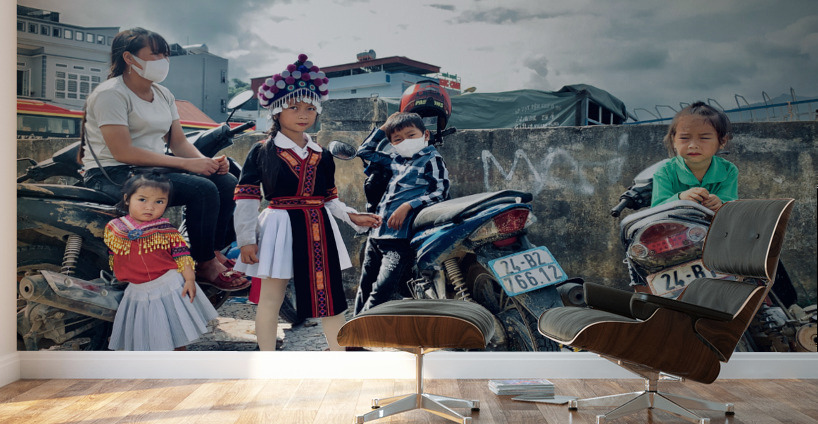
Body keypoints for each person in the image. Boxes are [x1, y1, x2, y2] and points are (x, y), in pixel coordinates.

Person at [233, 54, 381, 351]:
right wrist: (246, 240)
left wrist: (352, 216)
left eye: (310, 108)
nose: (303, 114)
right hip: (278, 227)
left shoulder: (322, 154)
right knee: (271, 298)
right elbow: (247, 197)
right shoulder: (262, 151)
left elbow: (329, 198)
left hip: (318, 228)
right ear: (277, 111)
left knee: (330, 299)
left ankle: (340, 357)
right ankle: (266, 360)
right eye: (294, 107)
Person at [81, 27, 247, 292]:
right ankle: (205, 265)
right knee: (202, 190)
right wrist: (187, 165)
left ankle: (211, 251)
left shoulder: (163, 94)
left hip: (149, 171)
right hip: (112, 174)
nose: (163, 61)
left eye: (165, 55)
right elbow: (122, 152)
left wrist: (207, 163)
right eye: (155, 54)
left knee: (225, 181)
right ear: (129, 58)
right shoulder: (110, 94)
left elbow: (178, 143)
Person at [105, 172, 218, 351]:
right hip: (137, 291)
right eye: (142, 199)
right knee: (144, 336)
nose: (150, 207)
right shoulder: (114, 227)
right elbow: (114, 255)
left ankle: (178, 364)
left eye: (159, 201)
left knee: (176, 333)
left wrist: (189, 280)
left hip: (168, 287)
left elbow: (182, 256)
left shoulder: (167, 230)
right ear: (127, 199)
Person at [354, 112, 450, 315]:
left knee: (381, 292)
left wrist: (408, 205)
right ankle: (353, 333)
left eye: (411, 135)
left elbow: (440, 193)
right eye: (397, 139)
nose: (405, 141)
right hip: (377, 233)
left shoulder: (432, 159)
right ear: (392, 144)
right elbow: (364, 151)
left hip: (400, 238)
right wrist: (384, 127)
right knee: (365, 288)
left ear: (425, 135)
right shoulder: (395, 160)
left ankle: (360, 330)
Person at [651, 101, 738, 211]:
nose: (693, 145)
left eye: (704, 138)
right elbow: (656, 209)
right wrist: (680, 198)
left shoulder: (728, 170)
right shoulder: (665, 171)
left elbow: (732, 207)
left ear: (722, 141)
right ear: (674, 141)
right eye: (684, 138)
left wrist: (720, 203)